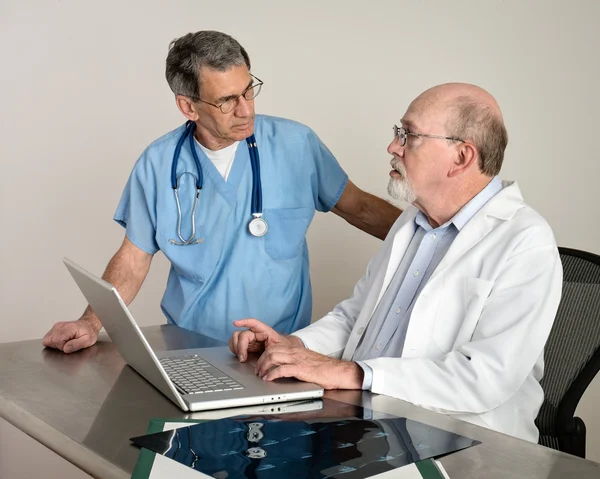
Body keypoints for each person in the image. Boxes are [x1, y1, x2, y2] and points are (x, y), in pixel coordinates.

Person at [229, 82, 563, 443]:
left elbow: (482, 379)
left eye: (409, 136)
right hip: (373, 424)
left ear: (462, 157)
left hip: (465, 447)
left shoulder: (525, 241)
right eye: (398, 133)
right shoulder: (412, 223)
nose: (393, 147)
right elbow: (354, 318)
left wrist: (355, 374)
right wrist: (294, 347)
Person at [42, 31, 401, 353]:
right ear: (188, 106)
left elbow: (362, 209)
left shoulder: (296, 145)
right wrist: (90, 322)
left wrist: (442, 238)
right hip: (192, 348)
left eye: (249, 91)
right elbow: (133, 258)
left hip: (284, 348)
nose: (246, 110)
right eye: (227, 100)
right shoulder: (158, 163)